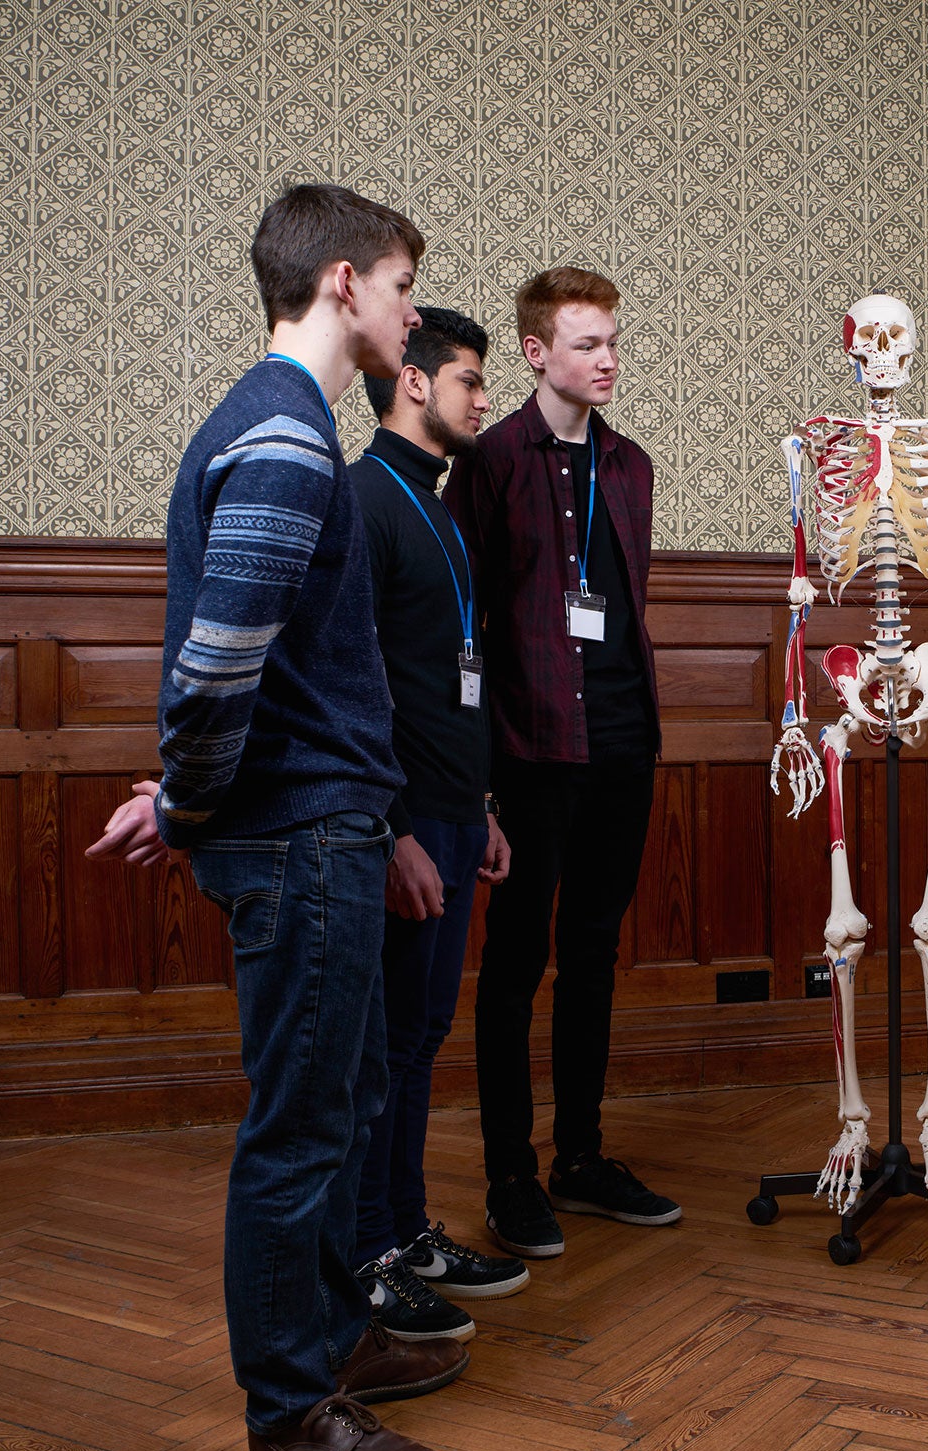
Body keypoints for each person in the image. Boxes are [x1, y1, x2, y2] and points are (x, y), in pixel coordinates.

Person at [84, 183, 461, 1451]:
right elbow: (213, 674)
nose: (412, 316)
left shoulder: (285, 425)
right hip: (299, 837)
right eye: (405, 288)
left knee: (340, 1103)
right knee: (300, 1133)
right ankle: (290, 1411)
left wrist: (184, 794)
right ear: (345, 284)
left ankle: (328, 1336)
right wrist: (188, 803)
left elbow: (250, 668)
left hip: (321, 823)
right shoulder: (292, 441)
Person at [444, 266, 681, 1258]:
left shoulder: (630, 468)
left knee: (591, 958)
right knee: (514, 966)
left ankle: (579, 1158)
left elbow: (618, 616)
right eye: (587, 344)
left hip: (622, 745)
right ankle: (510, 1176)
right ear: (537, 353)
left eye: (613, 341)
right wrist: (478, 775)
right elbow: (463, 624)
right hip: (531, 749)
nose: (608, 359)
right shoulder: (491, 462)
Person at [347, 306, 528, 1338]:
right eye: (467, 378)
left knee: (418, 1041)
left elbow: (452, 677)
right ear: (413, 384)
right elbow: (356, 686)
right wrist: (397, 827)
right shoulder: (363, 502)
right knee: (383, 1050)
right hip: (404, 830)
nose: (480, 397)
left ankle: (405, 1227)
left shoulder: (441, 507)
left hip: (459, 815)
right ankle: (371, 1248)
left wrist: (484, 805)